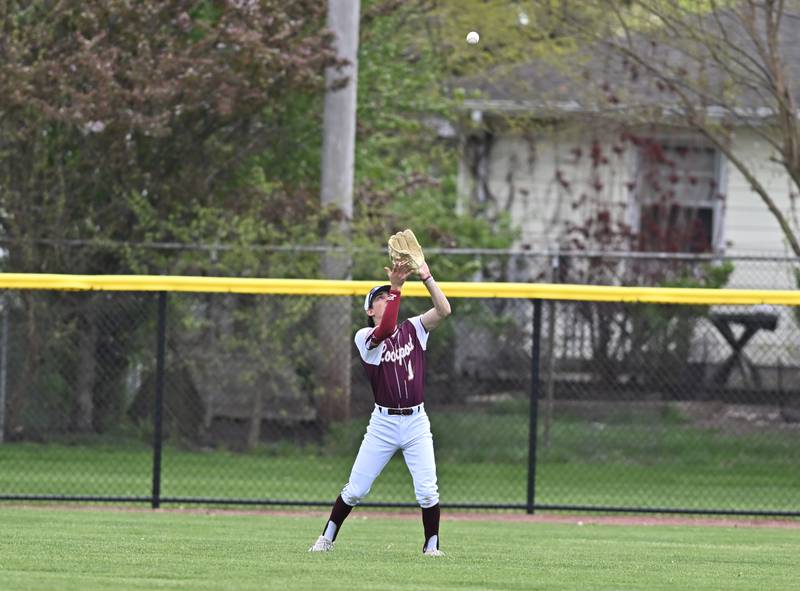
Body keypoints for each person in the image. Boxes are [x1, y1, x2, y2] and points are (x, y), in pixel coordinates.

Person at [309, 258, 452, 556]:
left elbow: (444, 310)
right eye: (380, 298)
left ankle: (432, 547)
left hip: (416, 421)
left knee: (427, 490)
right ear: (369, 310)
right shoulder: (364, 338)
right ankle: (326, 538)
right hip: (383, 425)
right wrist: (397, 288)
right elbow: (385, 331)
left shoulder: (414, 328)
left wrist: (426, 275)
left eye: (389, 295)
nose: (387, 298)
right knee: (356, 489)